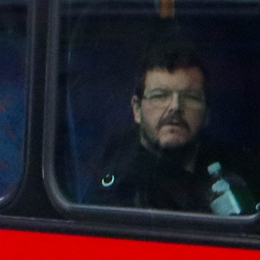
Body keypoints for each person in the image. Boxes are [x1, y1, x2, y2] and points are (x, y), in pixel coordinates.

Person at [90, 39, 260, 214]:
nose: (175, 107)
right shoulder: (120, 184)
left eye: (191, 97)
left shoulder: (237, 168)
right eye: (160, 96)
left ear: (207, 113)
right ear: (137, 109)